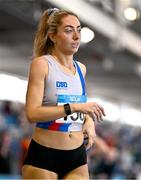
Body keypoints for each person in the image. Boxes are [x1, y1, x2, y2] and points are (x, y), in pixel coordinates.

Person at [22, 8, 105, 179]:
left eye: (78, 30)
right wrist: (74, 108)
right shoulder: (42, 65)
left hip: (77, 157)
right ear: (52, 36)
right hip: (45, 156)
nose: (76, 36)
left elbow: (80, 106)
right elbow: (32, 113)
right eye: (69, 30)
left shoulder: (81, 69)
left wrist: (88, 121)